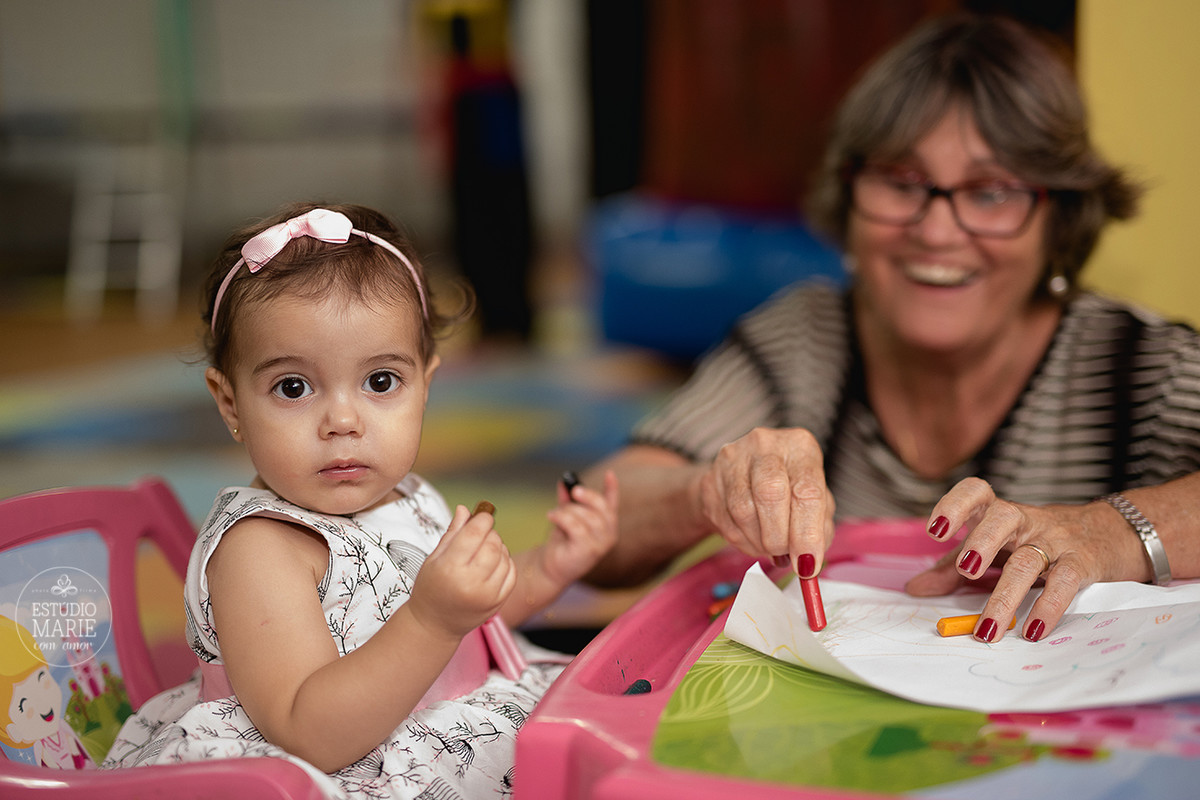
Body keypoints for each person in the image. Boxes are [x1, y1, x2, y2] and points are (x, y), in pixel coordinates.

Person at [582, 13, 1200, 646]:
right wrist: (706, 492)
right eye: (901, 183)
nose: (935, 231)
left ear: (1060, 220)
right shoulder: (803, 340)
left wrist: (1115, 531)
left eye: (991, 192)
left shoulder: (1144, 369)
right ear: (848, 196)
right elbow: (596, 529)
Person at [102, 203, 619, 799]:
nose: (343, 421)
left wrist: (549, 567)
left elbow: (470, 620)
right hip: (332, 772)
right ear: (230, 403)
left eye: (380, 382)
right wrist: (430, 618)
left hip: (450, 718)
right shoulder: (260, 547)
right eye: (292, 387)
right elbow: (309, 730)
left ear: (425, 383)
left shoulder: (402, 493)